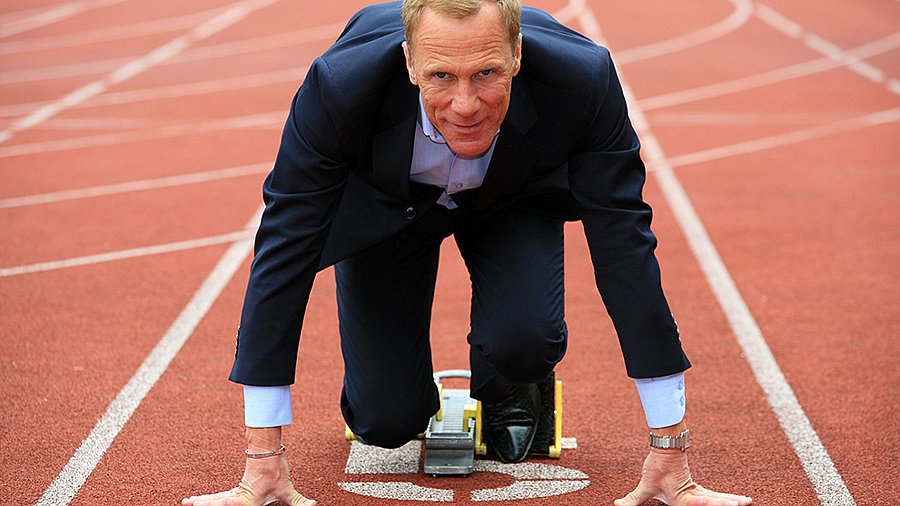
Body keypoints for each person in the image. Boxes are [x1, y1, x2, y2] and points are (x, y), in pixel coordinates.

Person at [182, 1, 753, 505]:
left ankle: (514, 380)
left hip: (513, 197)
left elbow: (625, 246)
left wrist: (670, 449)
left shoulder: (584, 79)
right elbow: (284, 249)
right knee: (386, 420)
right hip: (391, 208)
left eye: (487, 73)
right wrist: (262, 458)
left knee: (525, 340)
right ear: (409, 63)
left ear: (518, 55)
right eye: (440, 76)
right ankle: (379, 382)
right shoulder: (338, 87)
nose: (465, 104)